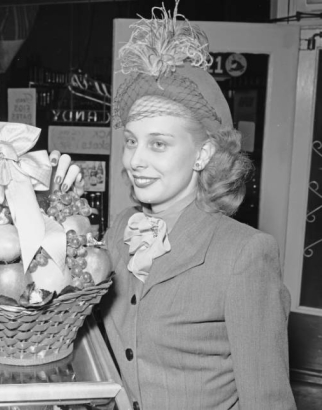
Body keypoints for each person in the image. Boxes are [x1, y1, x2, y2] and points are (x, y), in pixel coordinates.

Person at [50, 2, 296, 409]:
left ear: (204, 153)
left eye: (158, 144)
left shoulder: (245, 254)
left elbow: (267, 400)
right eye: (131, 140)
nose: (135, 161)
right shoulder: (122, 228)